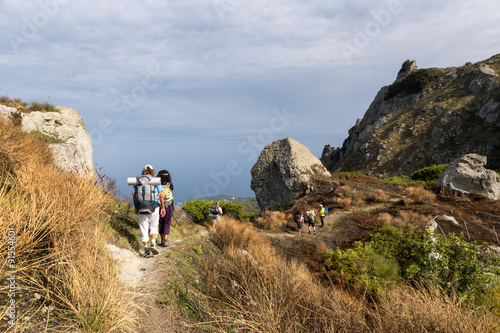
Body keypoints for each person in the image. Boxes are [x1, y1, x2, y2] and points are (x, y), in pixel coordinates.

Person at [135, 164, 165, 256]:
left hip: (141, 206)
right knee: (153, 225)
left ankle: (146, 248)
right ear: (152, 171)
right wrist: (163, 207)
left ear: (143, 171)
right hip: (154, 206)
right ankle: (153, 243)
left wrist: (136, 207)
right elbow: (161, 195)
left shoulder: (138, 180)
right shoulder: (155, 180)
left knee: (143, 227)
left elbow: (135, 194)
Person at [157, 169, 174, 247]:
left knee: (160, 223)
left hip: (159, 206)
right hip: (169, 206)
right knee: (167, 223)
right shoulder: (170, 185)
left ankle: (162, 240)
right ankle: (165, 241)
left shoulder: (157, 185)